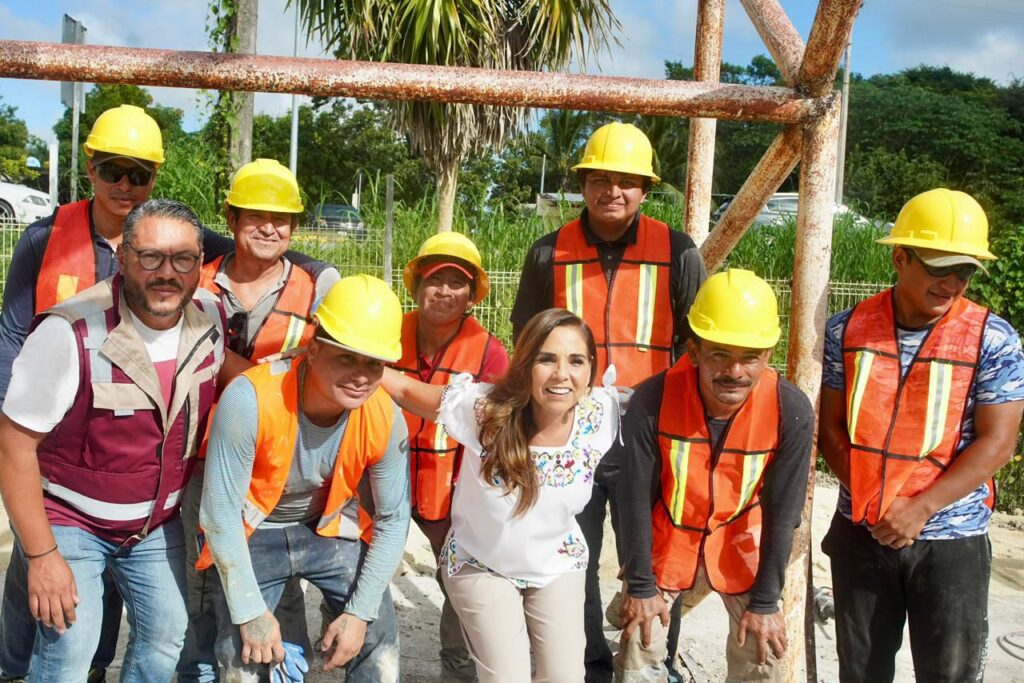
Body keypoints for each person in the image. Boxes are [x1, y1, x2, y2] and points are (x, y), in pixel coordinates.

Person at [0, 199, 239, 681]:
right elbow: (13, 445)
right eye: (150, 256)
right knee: (70, 651)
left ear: (200, 264)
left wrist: (301, 382)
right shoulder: (70, 333)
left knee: (165, 634)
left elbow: (231, 372)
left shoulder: (210, 316)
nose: (166, 273)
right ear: (124, 256)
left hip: (152, 524)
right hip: (70, 521)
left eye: (183, 259)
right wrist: (43, 557)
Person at [511, 121, 706, 682]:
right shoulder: (549, 253)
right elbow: (528, 341)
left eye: (627, 181)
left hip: (650, 432)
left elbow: (698, 345)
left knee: (653, 557)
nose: (612, 191)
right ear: (583, 184)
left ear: (646, 189)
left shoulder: (678, 251)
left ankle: (648, 664)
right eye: (600, 179)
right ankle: (590, 664)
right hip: (572, 432)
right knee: (574, 554)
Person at [818, 188, 1024, 682]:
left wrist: (920, 507)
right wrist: (875, 503)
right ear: (900, 257)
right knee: (862, 671)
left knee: (947, 673)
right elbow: (830, 428)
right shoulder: (846, 330)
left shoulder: (992, 339)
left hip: (951, 539)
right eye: (939, 267)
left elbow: (997, 442)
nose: (952, 282)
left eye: (966, 270)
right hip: (864, 531)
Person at [384, 307, 621, 682]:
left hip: (555, 563)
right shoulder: (485, 410)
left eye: (576, 360)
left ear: (591, 367)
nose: (562, 374)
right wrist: (352, 358)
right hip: (481, 562)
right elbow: (407, 390)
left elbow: (665, 403)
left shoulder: (602, 414)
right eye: (546, 359)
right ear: (525, 363)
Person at [198, 275, 410, 681]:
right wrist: (249, 612)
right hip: (253, 530)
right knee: (243, 651)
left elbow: (394, 518)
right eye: (347, 357)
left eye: (374, 363)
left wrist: (359, 615)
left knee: (377, 634)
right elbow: (220, 514)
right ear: (313, 350)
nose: (361, 375)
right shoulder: (250, 398)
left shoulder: (384, 415)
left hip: (323, 530)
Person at [178, 158, 341, 682]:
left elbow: (338, 360)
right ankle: (199, 671)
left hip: (278, 458)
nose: (270, 227)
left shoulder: (317, 283)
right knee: (201, 572)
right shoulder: (192, 279)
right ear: (231, 218)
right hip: (197, 455)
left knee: (278, 567)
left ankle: (280, 666)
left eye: (283, 217)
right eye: (256, 215)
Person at [614, 269, 814, 683]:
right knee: (640, 637)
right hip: (671, 537)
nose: (735, 371)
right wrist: (640, 584)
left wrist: (765, 603)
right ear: (694, 351)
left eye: (750, 357)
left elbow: (784, 513)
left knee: (764, 652)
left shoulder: (789, 410)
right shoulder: (653, 399)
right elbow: (632, 497)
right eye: (720, 353)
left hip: (742, 543)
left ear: (768, 357)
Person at [391, 231, 509, 681]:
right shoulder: (388, 330)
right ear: (417, 284)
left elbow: (497, 426)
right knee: (352, 565)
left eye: (456, 282)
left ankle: (457, 669)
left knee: (461, 583)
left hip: (450, 489)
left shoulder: (488, 350)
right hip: (381, 477)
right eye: (434, 279)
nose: (444, 291)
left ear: (471, 295)